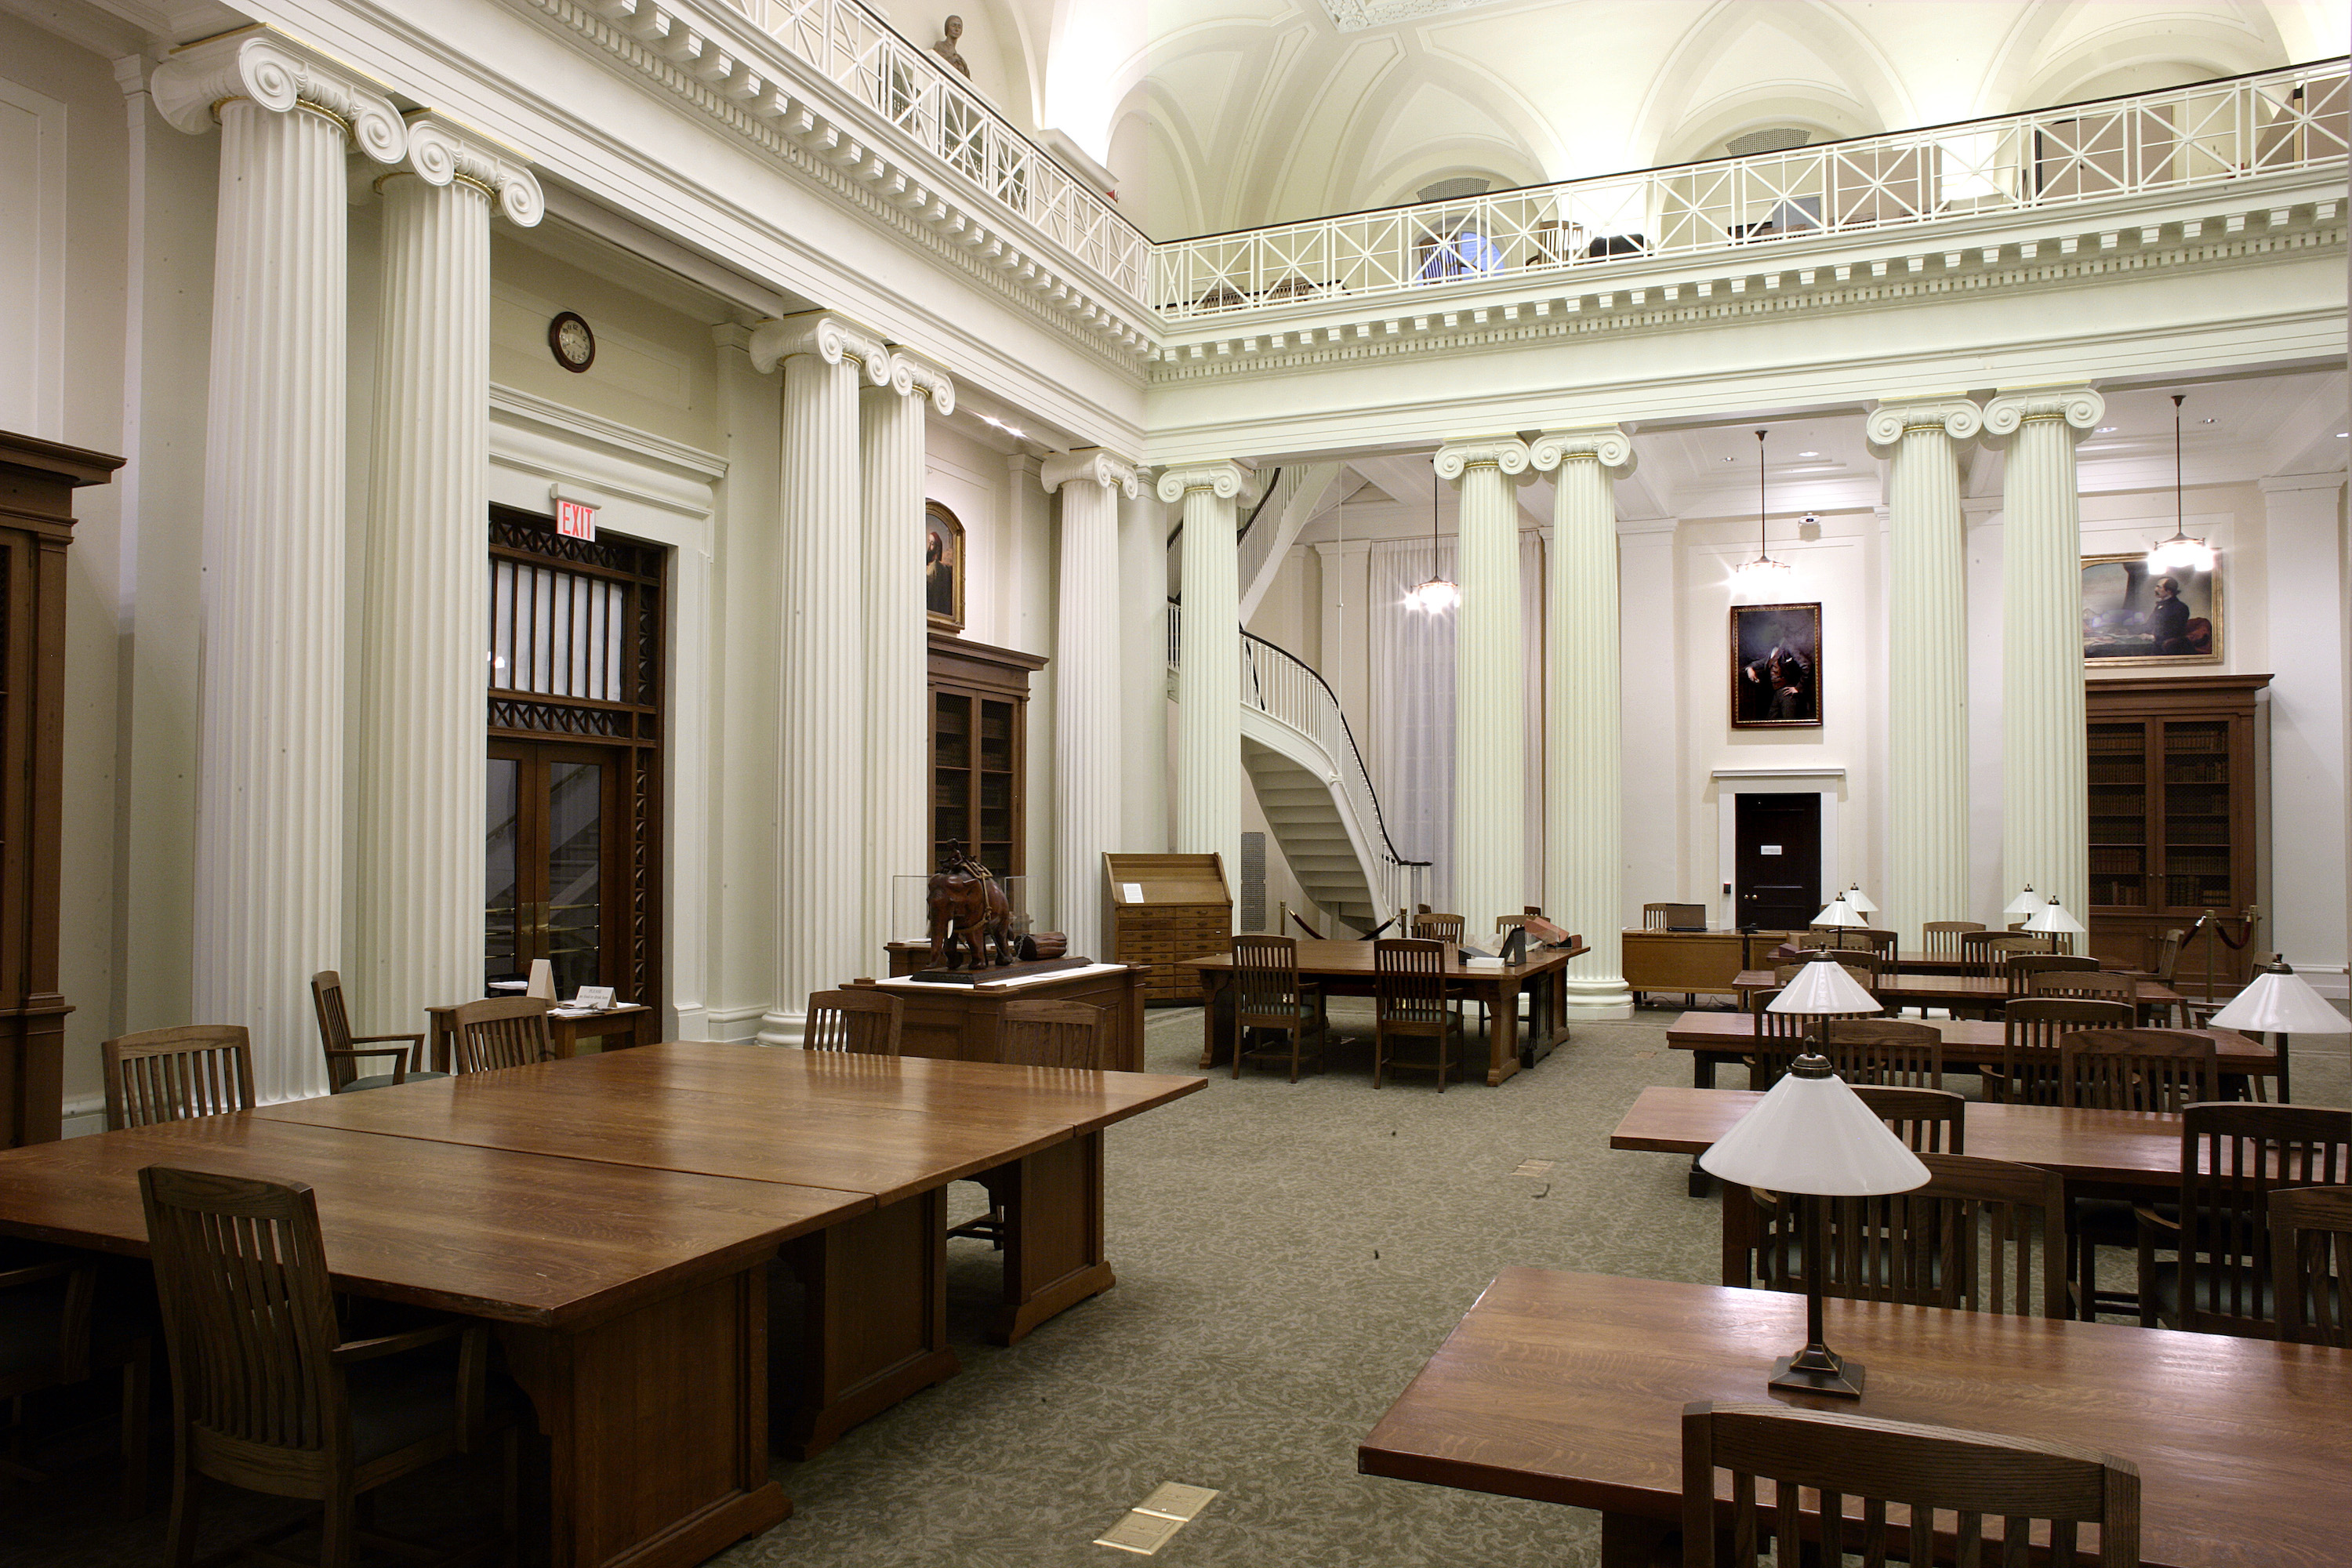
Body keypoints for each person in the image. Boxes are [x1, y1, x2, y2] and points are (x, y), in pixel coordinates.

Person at [1742, 617, 1813, 721]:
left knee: (1790, 727)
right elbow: (1762, 662)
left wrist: (1798, 688)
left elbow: (1806, 666)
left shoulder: (1789, 646)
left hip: (1789, 694)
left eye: (1775, 631)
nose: (1773, 634)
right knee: (1771, 722)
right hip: (1777, 693)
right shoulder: (1774, 649)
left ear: (1781, 631)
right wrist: (1749, 668)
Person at [2143, 575, 2190, 653]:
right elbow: (2149, 625)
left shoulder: (2180, 607)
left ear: (2169, 591)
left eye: (2159, 587)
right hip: (2156, 645)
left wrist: (2152, 637)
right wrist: (2128, 631)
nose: (2155, 589)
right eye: (2156, 587)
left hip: (2170, 649)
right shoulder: (2160, 606)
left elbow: (2175, 632)